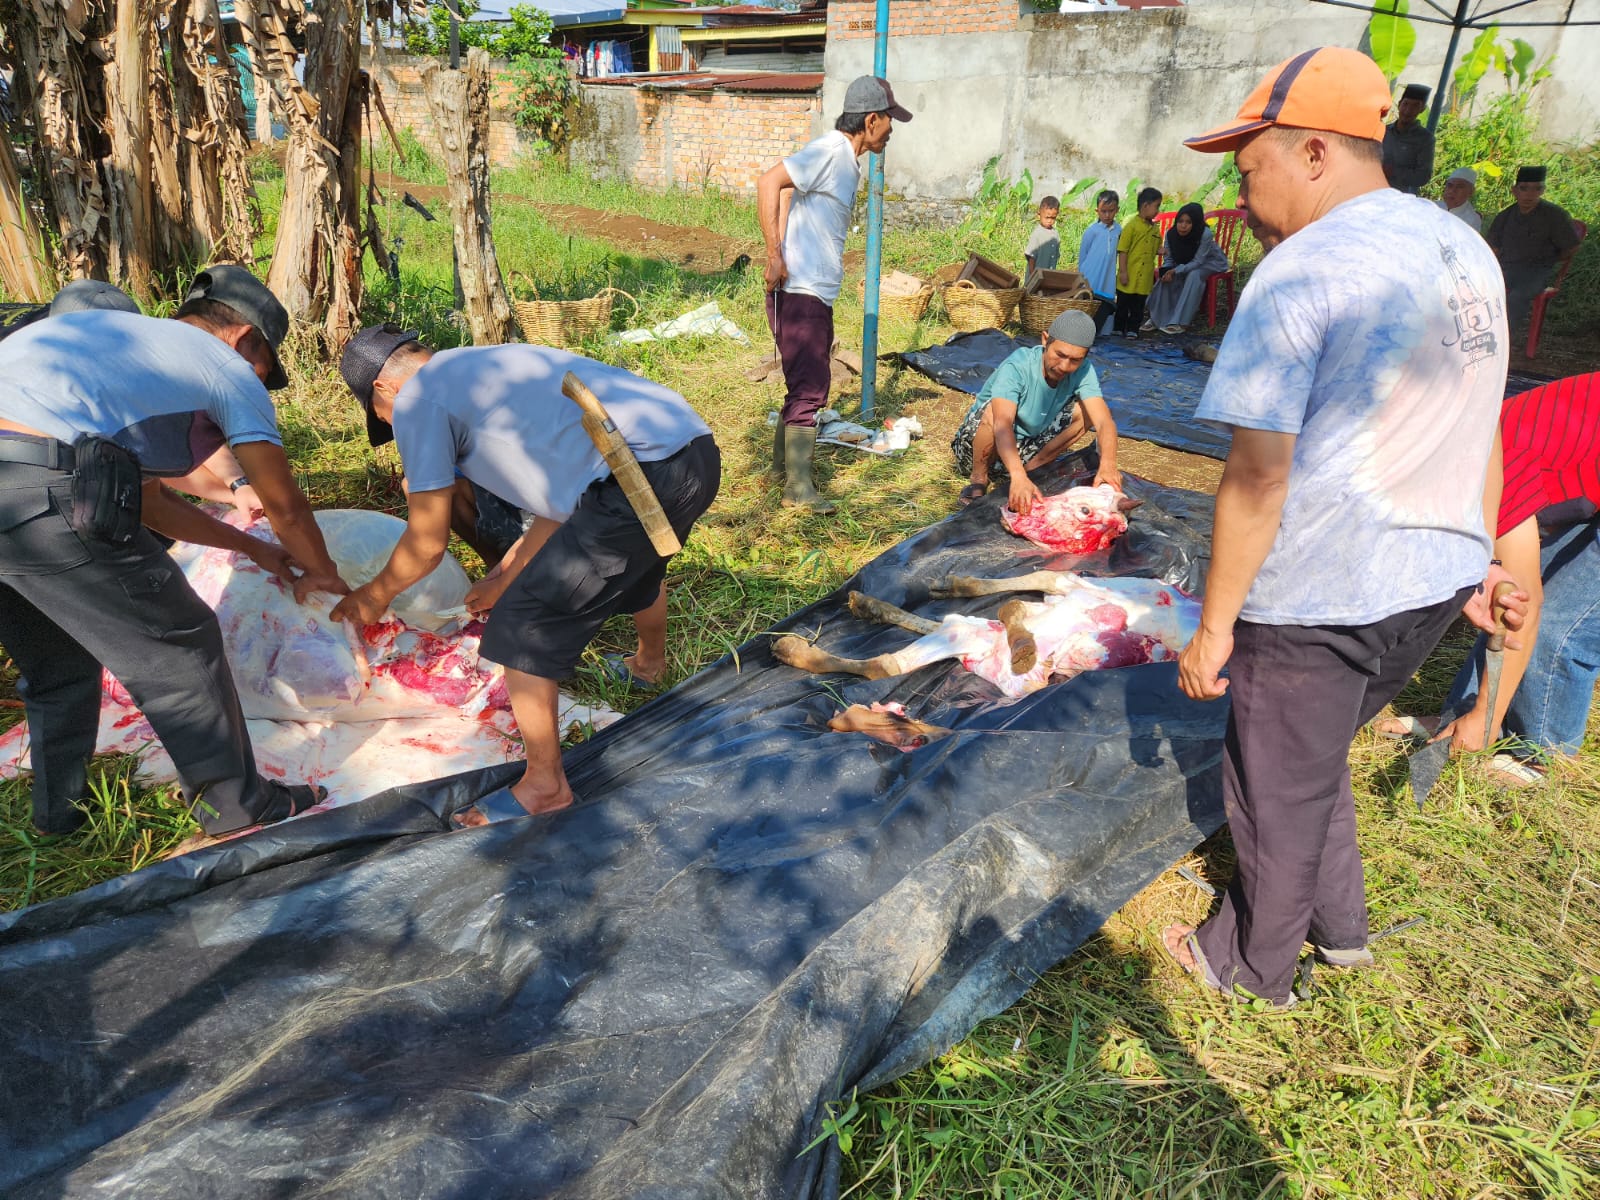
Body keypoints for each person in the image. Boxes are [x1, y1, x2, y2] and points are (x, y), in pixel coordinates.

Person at [1166, 47, 1516, 1008]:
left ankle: (1250, 968)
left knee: (1273, 788)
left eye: (1250, 172)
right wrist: (1480, 553)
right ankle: (1342, 932)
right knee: (1313, 762)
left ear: (1314, 152)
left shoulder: (1299, 273)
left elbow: (1256, 476)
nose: (1240, 199)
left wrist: (1217, 625)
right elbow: (1481, 420)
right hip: (1433, 579)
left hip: (1326, 584)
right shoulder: (1459, 249)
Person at [0, 264, 348, 839]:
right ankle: (240, 807)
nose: (259, 382)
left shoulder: (123, 350)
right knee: (181, 643)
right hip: (41, 487)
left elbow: (150, 502)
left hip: (21, 492)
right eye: (265, 370)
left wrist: (251, 549)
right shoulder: (225, 368)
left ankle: (59, 817)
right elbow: (285, 506)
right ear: (245, 340)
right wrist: (322, 570)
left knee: (61, 665)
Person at [333, 328, 721, 820]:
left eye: (383, 419)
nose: (394, 426)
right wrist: (503, 575)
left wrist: (372, 596)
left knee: (521, 625)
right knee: (634, 563)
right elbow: (562, 503)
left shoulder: (417, 402)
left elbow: (427, 543)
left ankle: (545, 787)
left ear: (383, 392)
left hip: (638, 471)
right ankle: (649, 667)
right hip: (691, 451)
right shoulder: (481, 365)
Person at [1384, 372, 1600, 785]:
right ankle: (1465, 719)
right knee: (1494, 595)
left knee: (1556, 622)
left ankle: (1539, 757)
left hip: (1536, 462)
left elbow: (1525, 602)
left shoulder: (1493, 466)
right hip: (1577, 454)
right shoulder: (1441, 457)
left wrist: (1489, 713)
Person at [756, 75, 913, 514]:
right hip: (803, 291)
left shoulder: (847, 160)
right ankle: (798, 490)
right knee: (810, 388)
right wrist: (775, 256)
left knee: (801, 385)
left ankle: (779, 472)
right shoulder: (830, 150)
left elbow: (790, 191)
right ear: (872, 119)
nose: (893, 130)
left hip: (812, 289)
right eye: (889, 122)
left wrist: (783, 248)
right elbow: (770, 182)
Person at [950, 309, 1121, 512]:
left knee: (1087, 411)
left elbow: (1104, 421)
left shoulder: (1084, 370)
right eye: (1060, 355)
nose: (1065, 366)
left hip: (1025, 448)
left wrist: (1108, 463)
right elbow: (1002, 423)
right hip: (980, 447)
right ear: (1045, 340)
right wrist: (1017, 475)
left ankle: (1033, 470)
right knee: (993, 411)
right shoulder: (1018, 366)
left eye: (1075, 360)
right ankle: (979, 478)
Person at [1486, 165, 1581, 329]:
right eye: (1524, 189)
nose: (1529, 194)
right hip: (1506, 267)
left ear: (1542, 190)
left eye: (1536, 189)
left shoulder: (1554, 215)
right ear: (1515, 190)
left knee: (1517, 297)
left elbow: (1571, 247)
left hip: (1536, 271)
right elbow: (1492, 247)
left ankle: (1505, 340)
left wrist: (1550, 260)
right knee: (1477, 289)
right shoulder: (1505, 215)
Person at [1143, 201, 1229, 334]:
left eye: (1188, 222)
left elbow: (1198, 261)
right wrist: (1167, 271)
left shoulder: (1204, 234)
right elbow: (1169, 259)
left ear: (1195, 223)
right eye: (1180, 221)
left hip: (1210, 262)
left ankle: (1180, 322)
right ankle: (1157, 319)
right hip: (1185, 263)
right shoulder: (1171, 235)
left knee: (1194, 275)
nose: (1183, 226)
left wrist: (1176, 270)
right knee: (1165, 276)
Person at [1114, 186, 1162, 338]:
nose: (1158, 211)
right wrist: (1123, 272)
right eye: (1157, 206)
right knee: (1123, 304)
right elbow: (1123, 250)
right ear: (1146, 206)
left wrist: (1160, 250)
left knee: (1138, 306)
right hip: (1129, 274)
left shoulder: (1154, 229)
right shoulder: (1131, 227)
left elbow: (1154, 248)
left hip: (1144, 278)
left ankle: (1133, 329)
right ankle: (1118, 327)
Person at [1076, 189, 1121, 331]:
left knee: (1105, 301)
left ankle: (1100, 331)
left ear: (1117, 210)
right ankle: (1084, 331)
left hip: (1108, 273)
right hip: (1091, 274)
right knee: (1090, 300)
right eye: (1103, 211)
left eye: (1111, 211)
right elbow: (1083, 254)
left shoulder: (1118, 230)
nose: (1107, 215)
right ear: (1097, 211)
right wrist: (1081, 275)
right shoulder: (1092, 231)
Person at [1382, 82, 1435, 195]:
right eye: (1405, 104)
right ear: (1399, 104)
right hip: (1373, 192)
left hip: (1400, 198)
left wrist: (1393, 172)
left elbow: (1423, 176)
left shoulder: (1425, 139)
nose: (1408, 110)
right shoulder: (1383, 131)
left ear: (1422, 109)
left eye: (1415, 106)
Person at [1023, 195, 1062, 285]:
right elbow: (1031, 258)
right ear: (1039, 214)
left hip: (1049, 277)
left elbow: (1055, 256)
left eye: (1053, 218)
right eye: (1047, 217)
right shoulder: (1037, 234)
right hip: (1035, 277)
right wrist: (1034, 277)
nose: (1049, 221)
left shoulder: (1055, 234)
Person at [1435, 166, 1482, 232]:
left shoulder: (1472, 219)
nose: (1452, 191)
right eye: (1450, 185)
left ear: (1471, 192)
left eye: (1460, 187)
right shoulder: (1433, 207)